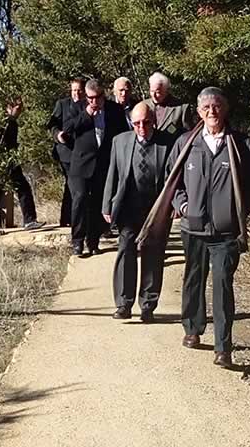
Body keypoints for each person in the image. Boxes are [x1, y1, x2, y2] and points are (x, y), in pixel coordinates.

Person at [170, 87, 250, 368]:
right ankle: (192, 327)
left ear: (225, 109)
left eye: (217, 106)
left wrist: (237, 213)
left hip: (225, 233)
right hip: (193, 228)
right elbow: (172, 183)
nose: (212, 111)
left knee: (223, 285)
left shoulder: (240, 144)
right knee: (193, 278)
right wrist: (185, 207)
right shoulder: (186, 143)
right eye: (206, 107)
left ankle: (223, 347)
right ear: (199, 112)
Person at [102, 101, 178, 320]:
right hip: (128, 208)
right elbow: (112, 175)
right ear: (131, 123)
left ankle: (148, 305)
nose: (142, 127)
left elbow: (172, 179)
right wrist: (107, 204)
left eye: (146, 122)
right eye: (136, 123)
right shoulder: (120, 142)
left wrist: (173, 205)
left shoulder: (167, 143)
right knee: (125, 251)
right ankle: (123, 304)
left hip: (156, 209)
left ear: (153, 121)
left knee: (153, 255)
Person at [56, 79, 128, 257]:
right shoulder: (77, 107)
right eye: (90, 98)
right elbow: (67, 129)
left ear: (104, 95)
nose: (94, 102)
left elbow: (122, 133)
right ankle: (77, 242)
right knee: (79, 200)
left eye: (98, 97)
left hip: (103, 164)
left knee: (97, 203)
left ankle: (93, 242)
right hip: (80, 164)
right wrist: (86, 115)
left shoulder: (114, 110)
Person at [0, 96, 42, 233]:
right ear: (10, 107)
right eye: (17, 107)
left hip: (11, 161)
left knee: (23, 188)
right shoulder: (1, 122)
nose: (20, 110)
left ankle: (29, 220)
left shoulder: (12, 122)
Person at [46, 79, 86, 226]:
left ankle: (71, 220)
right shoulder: (62, 104)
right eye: (74, 90)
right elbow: (52, 124)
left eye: (79, 90)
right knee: (72, 186)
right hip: (66, 152)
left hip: (84, 153)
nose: (76, 93)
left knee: (77, 187)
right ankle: (68, 220)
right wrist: (58, 135)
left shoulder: (88, 105)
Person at [148, 71, 197, 136]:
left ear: (166, 91)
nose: (153, 95)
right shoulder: (144, 105)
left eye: (158, 92)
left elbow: (188, 133)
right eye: (151, 91)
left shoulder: (181, 108)